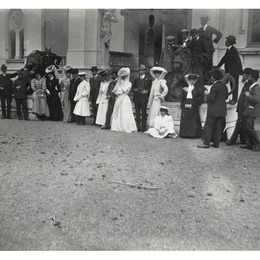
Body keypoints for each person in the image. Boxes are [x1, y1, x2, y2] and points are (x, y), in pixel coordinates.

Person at [197, 69, 228, 148]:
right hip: (221, 110)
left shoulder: (214, 86)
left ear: (213, 77)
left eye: (211, 76)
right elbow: (226, 97)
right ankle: (216, 143)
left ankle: (206, 143)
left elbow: (212, 98)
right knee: (218, 127)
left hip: (213, 110)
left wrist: (207, 94)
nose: (211, 78)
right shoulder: (224, 86)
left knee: (208, 126)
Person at [225, 68, 253, 145]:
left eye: (244, 75)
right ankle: (243, 140)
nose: (242, 77)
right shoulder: (246, 84)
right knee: (242, 125)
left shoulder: (249, 86)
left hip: (243, 109)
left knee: (239, 125)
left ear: (247, 76)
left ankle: (232, 140)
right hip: (241, 108)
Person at [217, 35, 243, 105]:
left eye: (227, 40)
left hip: (234, 71)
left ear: (229, 42)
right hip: (231, 71)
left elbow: (238, 61)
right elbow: (224, 59)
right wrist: (217, 66)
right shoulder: (229, 49)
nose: (225, 42)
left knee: (234, 85)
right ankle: (233, 99)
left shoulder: (233, 50)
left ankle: (234, 99)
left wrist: (240, 71)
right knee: (232, 85)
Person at [110, 67, 137, 133]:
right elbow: (116, 91)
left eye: (125, 77)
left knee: (125, 112)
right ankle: (117, 126)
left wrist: (122, 86)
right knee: (118, 111)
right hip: (119, 97)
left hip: (125, 98)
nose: (123, 78)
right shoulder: (119, 83)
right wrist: (118, 91)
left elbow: (125, 90)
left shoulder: (129, 84)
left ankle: (126, 126)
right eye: (122, 77)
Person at [240, 70, 260, 151]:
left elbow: (256, 100)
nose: (248, 78)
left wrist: (248, 95)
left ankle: (257, 144)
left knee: (250, 128)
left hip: (252, 111)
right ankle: (249, 144)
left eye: (249, 77)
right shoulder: (253, 87)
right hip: (249, 110)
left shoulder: (256, 88)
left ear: (253, 78)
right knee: (247, 128)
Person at [179, 74, 204, 138]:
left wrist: (195, 102)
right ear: (188, 80)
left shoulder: (197, 88)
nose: (192, 81)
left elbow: (201, 97)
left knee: (193, 120)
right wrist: (182, 105)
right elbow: (182, 97)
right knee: (185, 119)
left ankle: (193, 134)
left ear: (195, 80)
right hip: (186, 104)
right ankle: (184, 134)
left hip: (193, 105)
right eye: (190, 80)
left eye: (193, 80)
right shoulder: (185, 88)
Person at [132, 64, 152, 132]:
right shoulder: (136, 80)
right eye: (140, 70)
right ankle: (138, 127)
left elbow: (150, 88)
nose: (141, 71)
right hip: (137, 97)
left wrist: (147, 91)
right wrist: (135, 90)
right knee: (137, 112)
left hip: (144, 98)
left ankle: (143, 127)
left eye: (142, 70)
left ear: (145, 71)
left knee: (143, 112)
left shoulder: (148, 79)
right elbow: (133, 87)